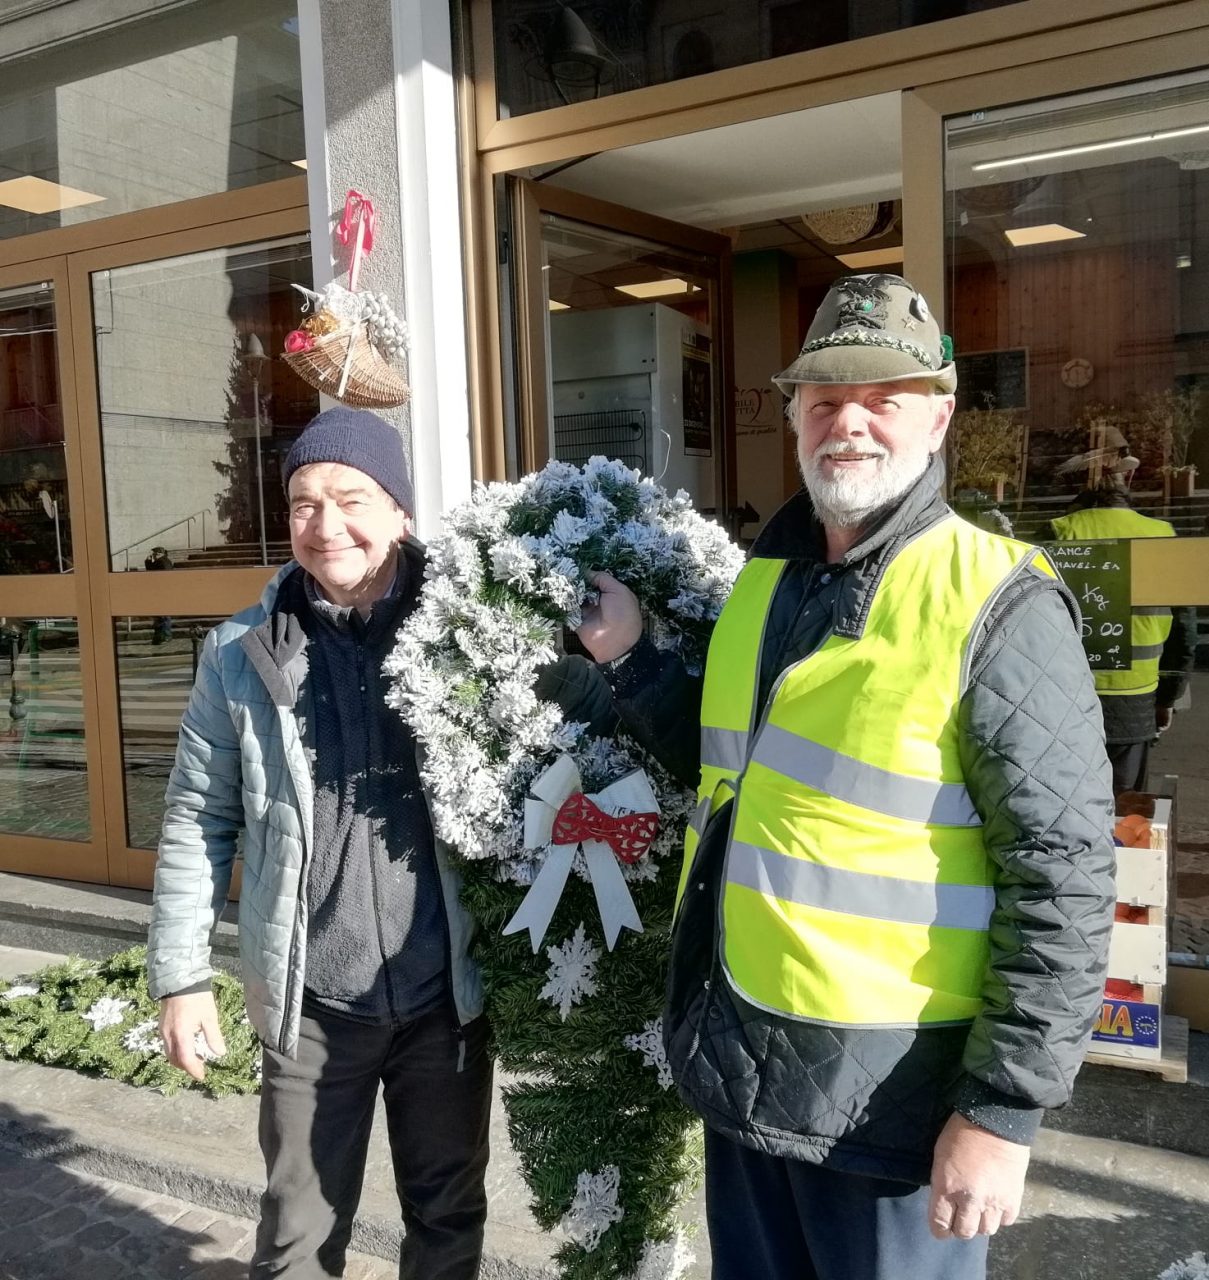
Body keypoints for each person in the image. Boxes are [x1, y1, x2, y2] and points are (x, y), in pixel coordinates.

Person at [576, 274, 1116, 1280]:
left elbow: (1068, 877)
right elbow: (733, 766)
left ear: (939, 415)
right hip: (746, 1069)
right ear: (793, 420)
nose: (849, 424)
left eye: (883, 397)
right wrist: (634, 659)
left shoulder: (997, 600)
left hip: (892, 1107)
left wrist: (1001, 1110)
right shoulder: (767, 578)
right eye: (824, 400)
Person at [146, 407, 490, 1280]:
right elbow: (197, 816)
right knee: (297, 1231)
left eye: (351, 498)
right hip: (312, 1001)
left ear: (400, 512)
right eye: (303, 503)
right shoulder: (242, 653)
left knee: (447, 1215)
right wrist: (181, 978)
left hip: (440, 997)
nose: (325, 524)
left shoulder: (470, 635)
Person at [1049, 477, 1197, 794]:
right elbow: (1186, 633)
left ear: (1082, 505)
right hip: (1138, 696)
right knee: (1126, 808)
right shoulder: (1165, 537)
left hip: (1068, 693)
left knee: (1069, 795)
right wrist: (1168, 698)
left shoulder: (1058, 531)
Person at [144, 545, 174, 645]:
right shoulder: (166, 561)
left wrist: (148, 562)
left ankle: (164, 636)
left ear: (161, 554)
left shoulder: (162, 562)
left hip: (161, 592)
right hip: (164, 592)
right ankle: (163, 636)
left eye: (156, 553)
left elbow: (153, 575)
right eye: (153, 553)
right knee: (162, 615)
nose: (154, 555)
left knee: (162, 616)